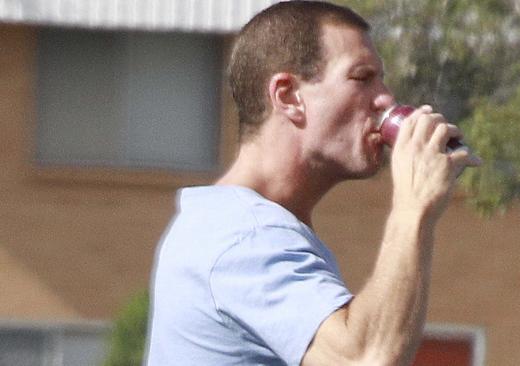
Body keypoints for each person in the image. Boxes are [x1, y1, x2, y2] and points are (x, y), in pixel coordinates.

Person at [144, 1, 481, 365]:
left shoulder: (237, 226)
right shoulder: (245, 238)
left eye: (381, 80)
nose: (385, 98)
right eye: (362, 77)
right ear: (289, 97)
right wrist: (413, 209)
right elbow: (367, 358)